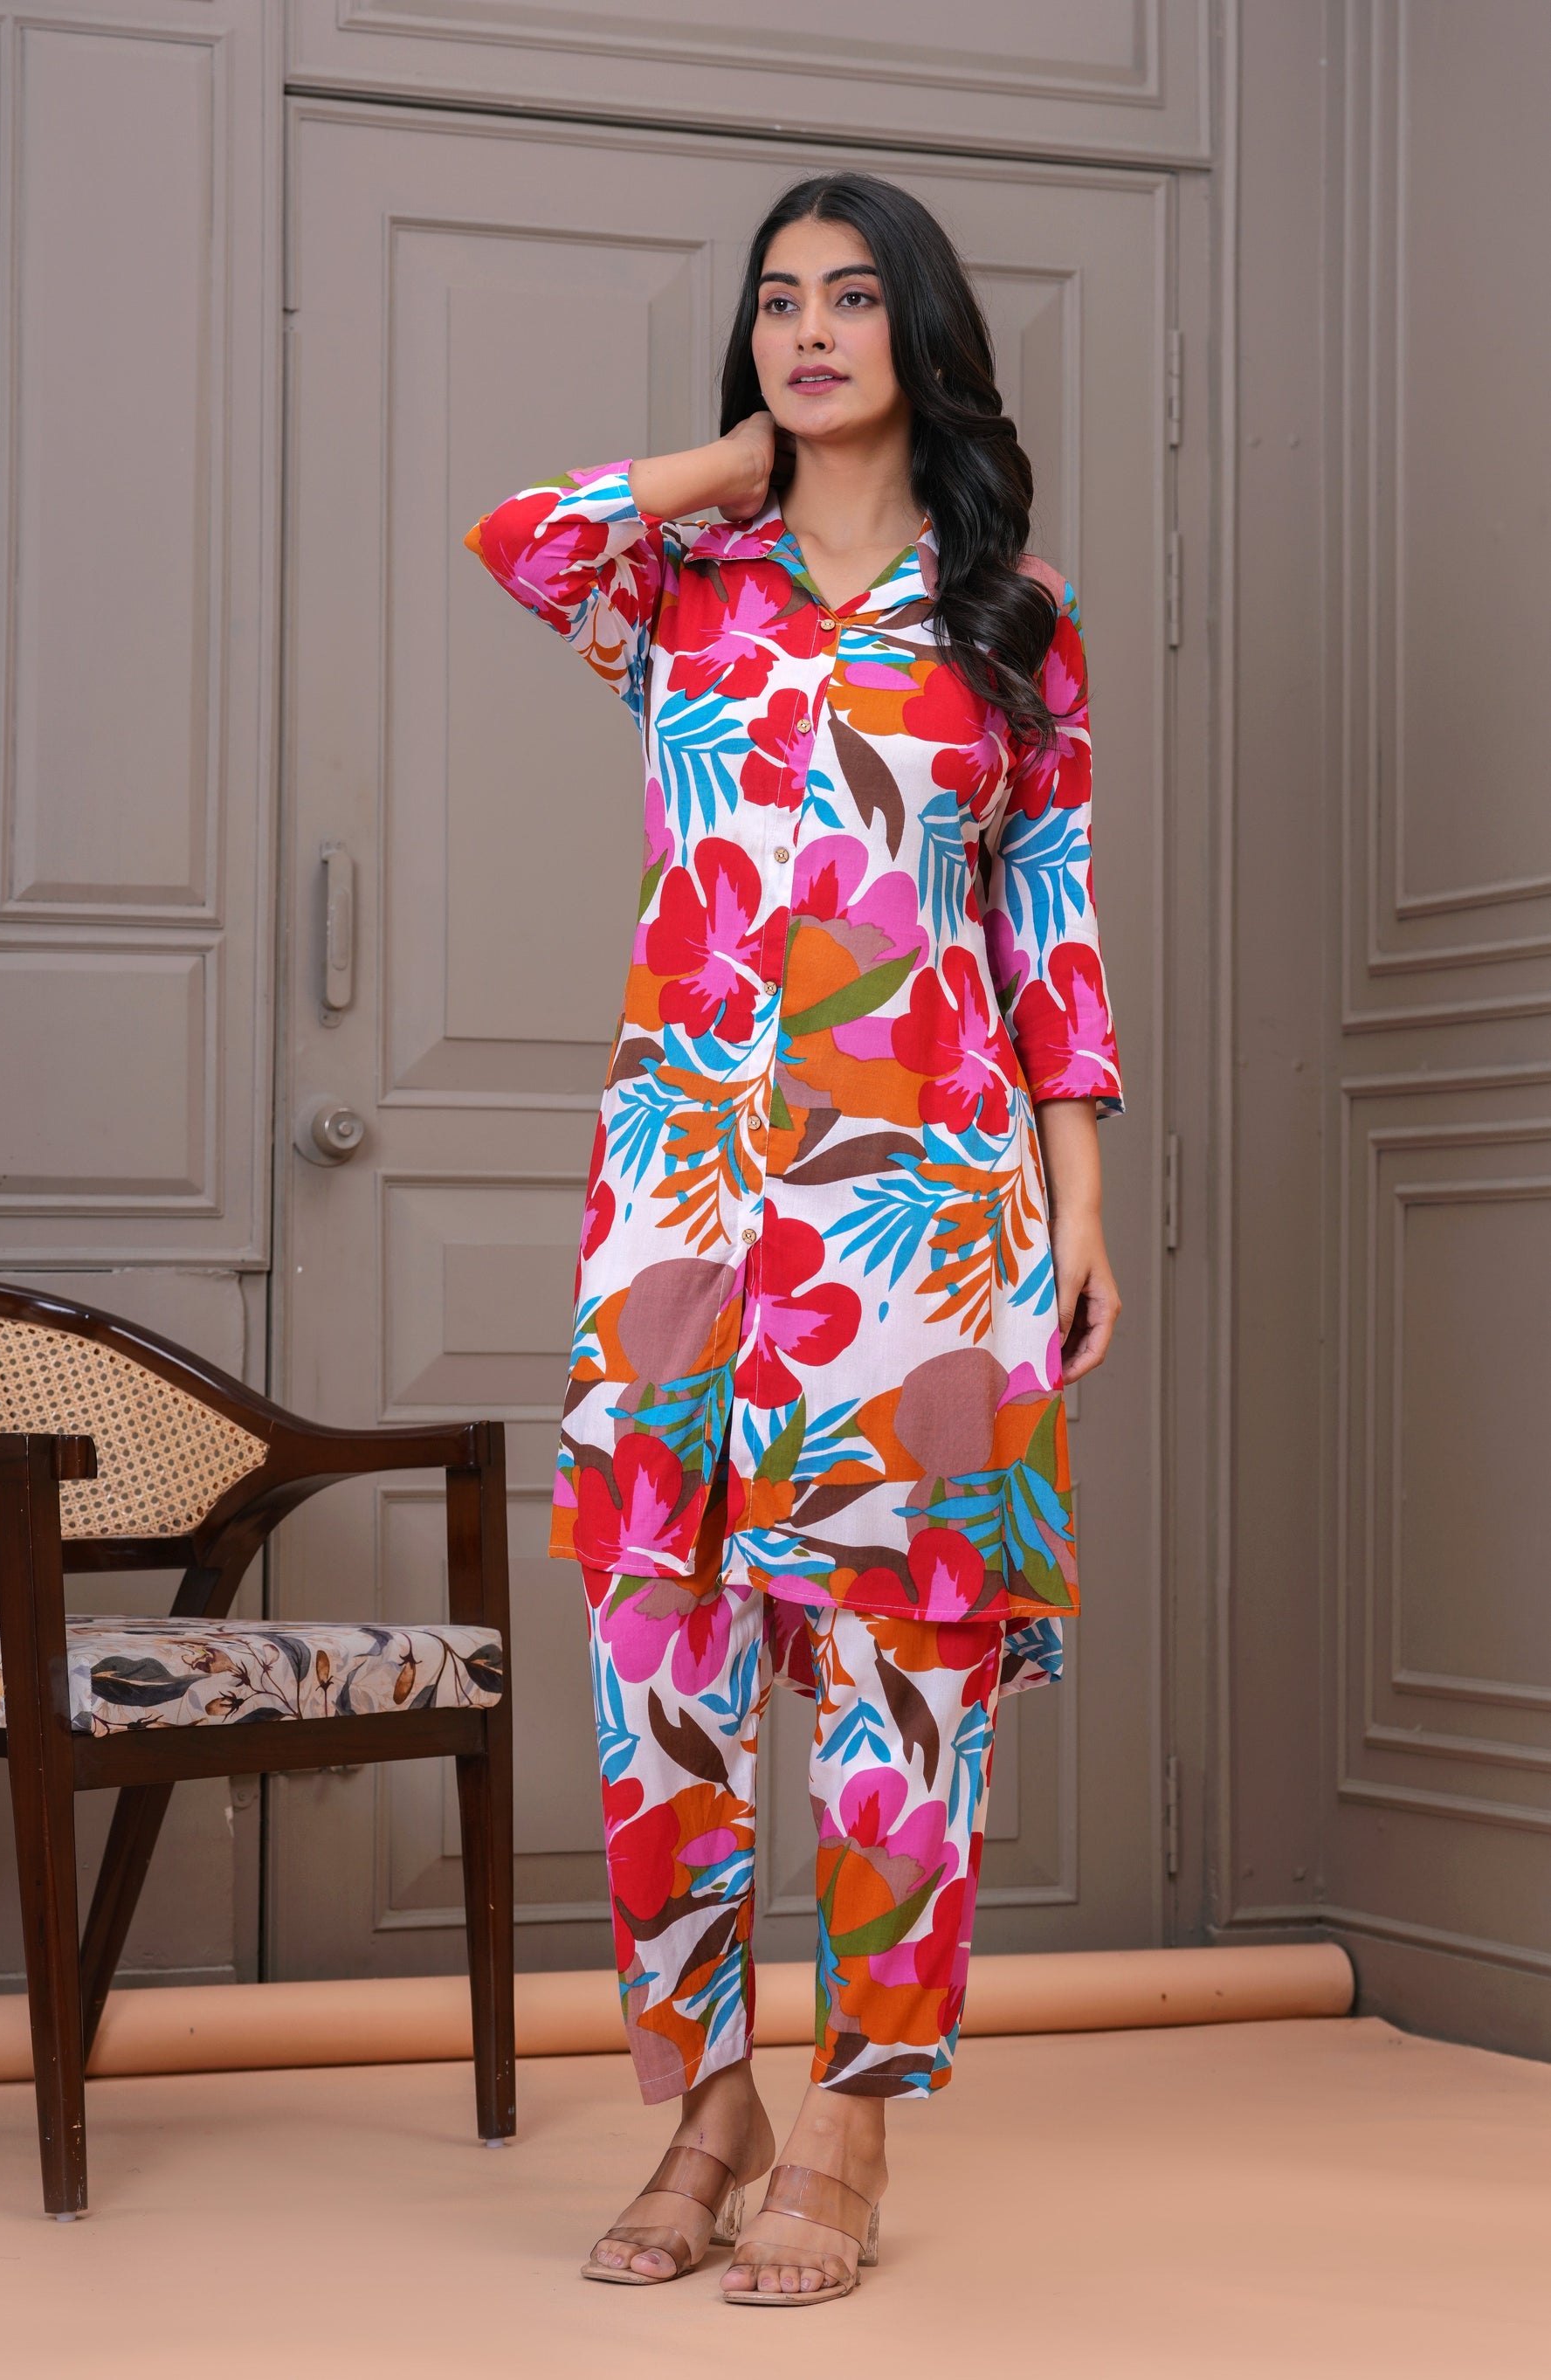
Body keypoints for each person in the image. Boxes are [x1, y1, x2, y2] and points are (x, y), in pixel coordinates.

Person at [466, 169, 1122, 2308]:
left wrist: (1081, 1204)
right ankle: (704, 2106)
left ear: (924, 336)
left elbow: (1048, 925)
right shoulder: (677, 586)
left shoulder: (1010, 619)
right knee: (655, 1652)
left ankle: (848, 2119)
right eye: (777, 301)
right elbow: (518, 535)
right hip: (680, 1192)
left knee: (900, 1664)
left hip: (924, 1204)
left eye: (851, 299)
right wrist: (723, 465)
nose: (811, 329)